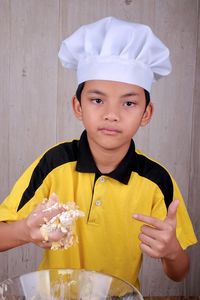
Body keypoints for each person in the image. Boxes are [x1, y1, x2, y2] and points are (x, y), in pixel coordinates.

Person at [0, 16, 197, 290]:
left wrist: (172, 251)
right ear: (78, 106)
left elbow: (179, 273)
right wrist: (25, 231)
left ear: (146, 113)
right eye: (97, 100)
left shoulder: (157, 181)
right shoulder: (53, 164)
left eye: (128, 102)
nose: (112, 115)